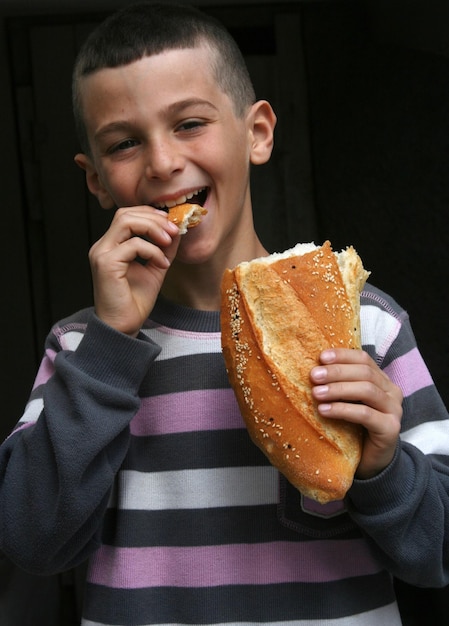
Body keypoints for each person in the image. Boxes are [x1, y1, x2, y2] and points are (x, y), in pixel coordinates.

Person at [1, 2, 448, 624]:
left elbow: (437, 555)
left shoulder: (368, 324)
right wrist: (110, 345)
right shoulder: (82, 349)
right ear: (97, 180)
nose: (161, 163)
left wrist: (382, 469)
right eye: (125, 143)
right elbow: (33, 541)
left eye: (188, 123)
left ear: (257, 133)